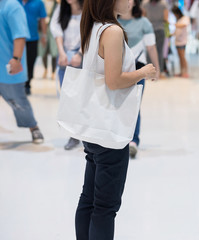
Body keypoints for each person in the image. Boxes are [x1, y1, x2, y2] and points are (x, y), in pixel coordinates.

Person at [75, 0, 156, 238]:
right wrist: (143, 72)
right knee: (105, 207)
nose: (131, 1)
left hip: (94, 126)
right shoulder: (113, 31)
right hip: (110, 131)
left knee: (89, 199)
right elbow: (113, 80)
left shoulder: (94, 27)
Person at [118, 0, 160, 158]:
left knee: (134, 104)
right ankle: (119, 137)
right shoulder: (113, 22)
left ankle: (133, 141)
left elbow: (151, 46)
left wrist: (156, 68)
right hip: (117, 69)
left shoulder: (144, 22)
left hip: (138, 68)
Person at [0, 0, 44, 144]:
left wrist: (16, 59)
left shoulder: (12, 6)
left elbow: (19, 35)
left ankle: (33, 127)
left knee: (18, 101)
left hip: (8, 67)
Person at [50, 0, 83, 150]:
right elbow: (56, 30)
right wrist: (62, 53)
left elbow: (91, 32)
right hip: (64, 58)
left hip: (83, 58)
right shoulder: (61, 9)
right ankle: (74, 135)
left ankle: (86, 133)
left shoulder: (88, 9)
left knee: (84, 98)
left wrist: (80, 54)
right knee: (68, 99)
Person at [20, 0, 47, 95]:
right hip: (17, 39)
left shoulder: (38, 3)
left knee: (30, 62)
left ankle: (27, 84)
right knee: (18, 61)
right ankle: (19, 84)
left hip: (32, 38)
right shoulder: (15, 2)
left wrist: (44, 35)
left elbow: (43, 19)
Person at [142, 0, 169, 78]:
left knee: (148, 51)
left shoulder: (145, 3)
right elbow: (165, 18)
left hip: (148, 29)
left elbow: (143, 17)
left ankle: (148, 72)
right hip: (160, 29)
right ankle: (158, 72)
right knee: (159, 51)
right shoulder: (164, 3)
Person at [39, 0, 58, 80]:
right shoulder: (41, 3)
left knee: (54, 51)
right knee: (43, 51)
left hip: (53, 30)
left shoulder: (56, 3)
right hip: (43, 29)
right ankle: (45, 69)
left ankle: (53, 72)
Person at [172, 6, 190, 78]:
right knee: (180, 57)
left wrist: (174, 24)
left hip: (182, 41)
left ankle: (185, 72)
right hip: (177, 41)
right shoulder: (178, 20)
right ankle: (181, 71)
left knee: (182, 57)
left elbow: (184, 25)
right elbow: (176, 30)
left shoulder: (185, 18)